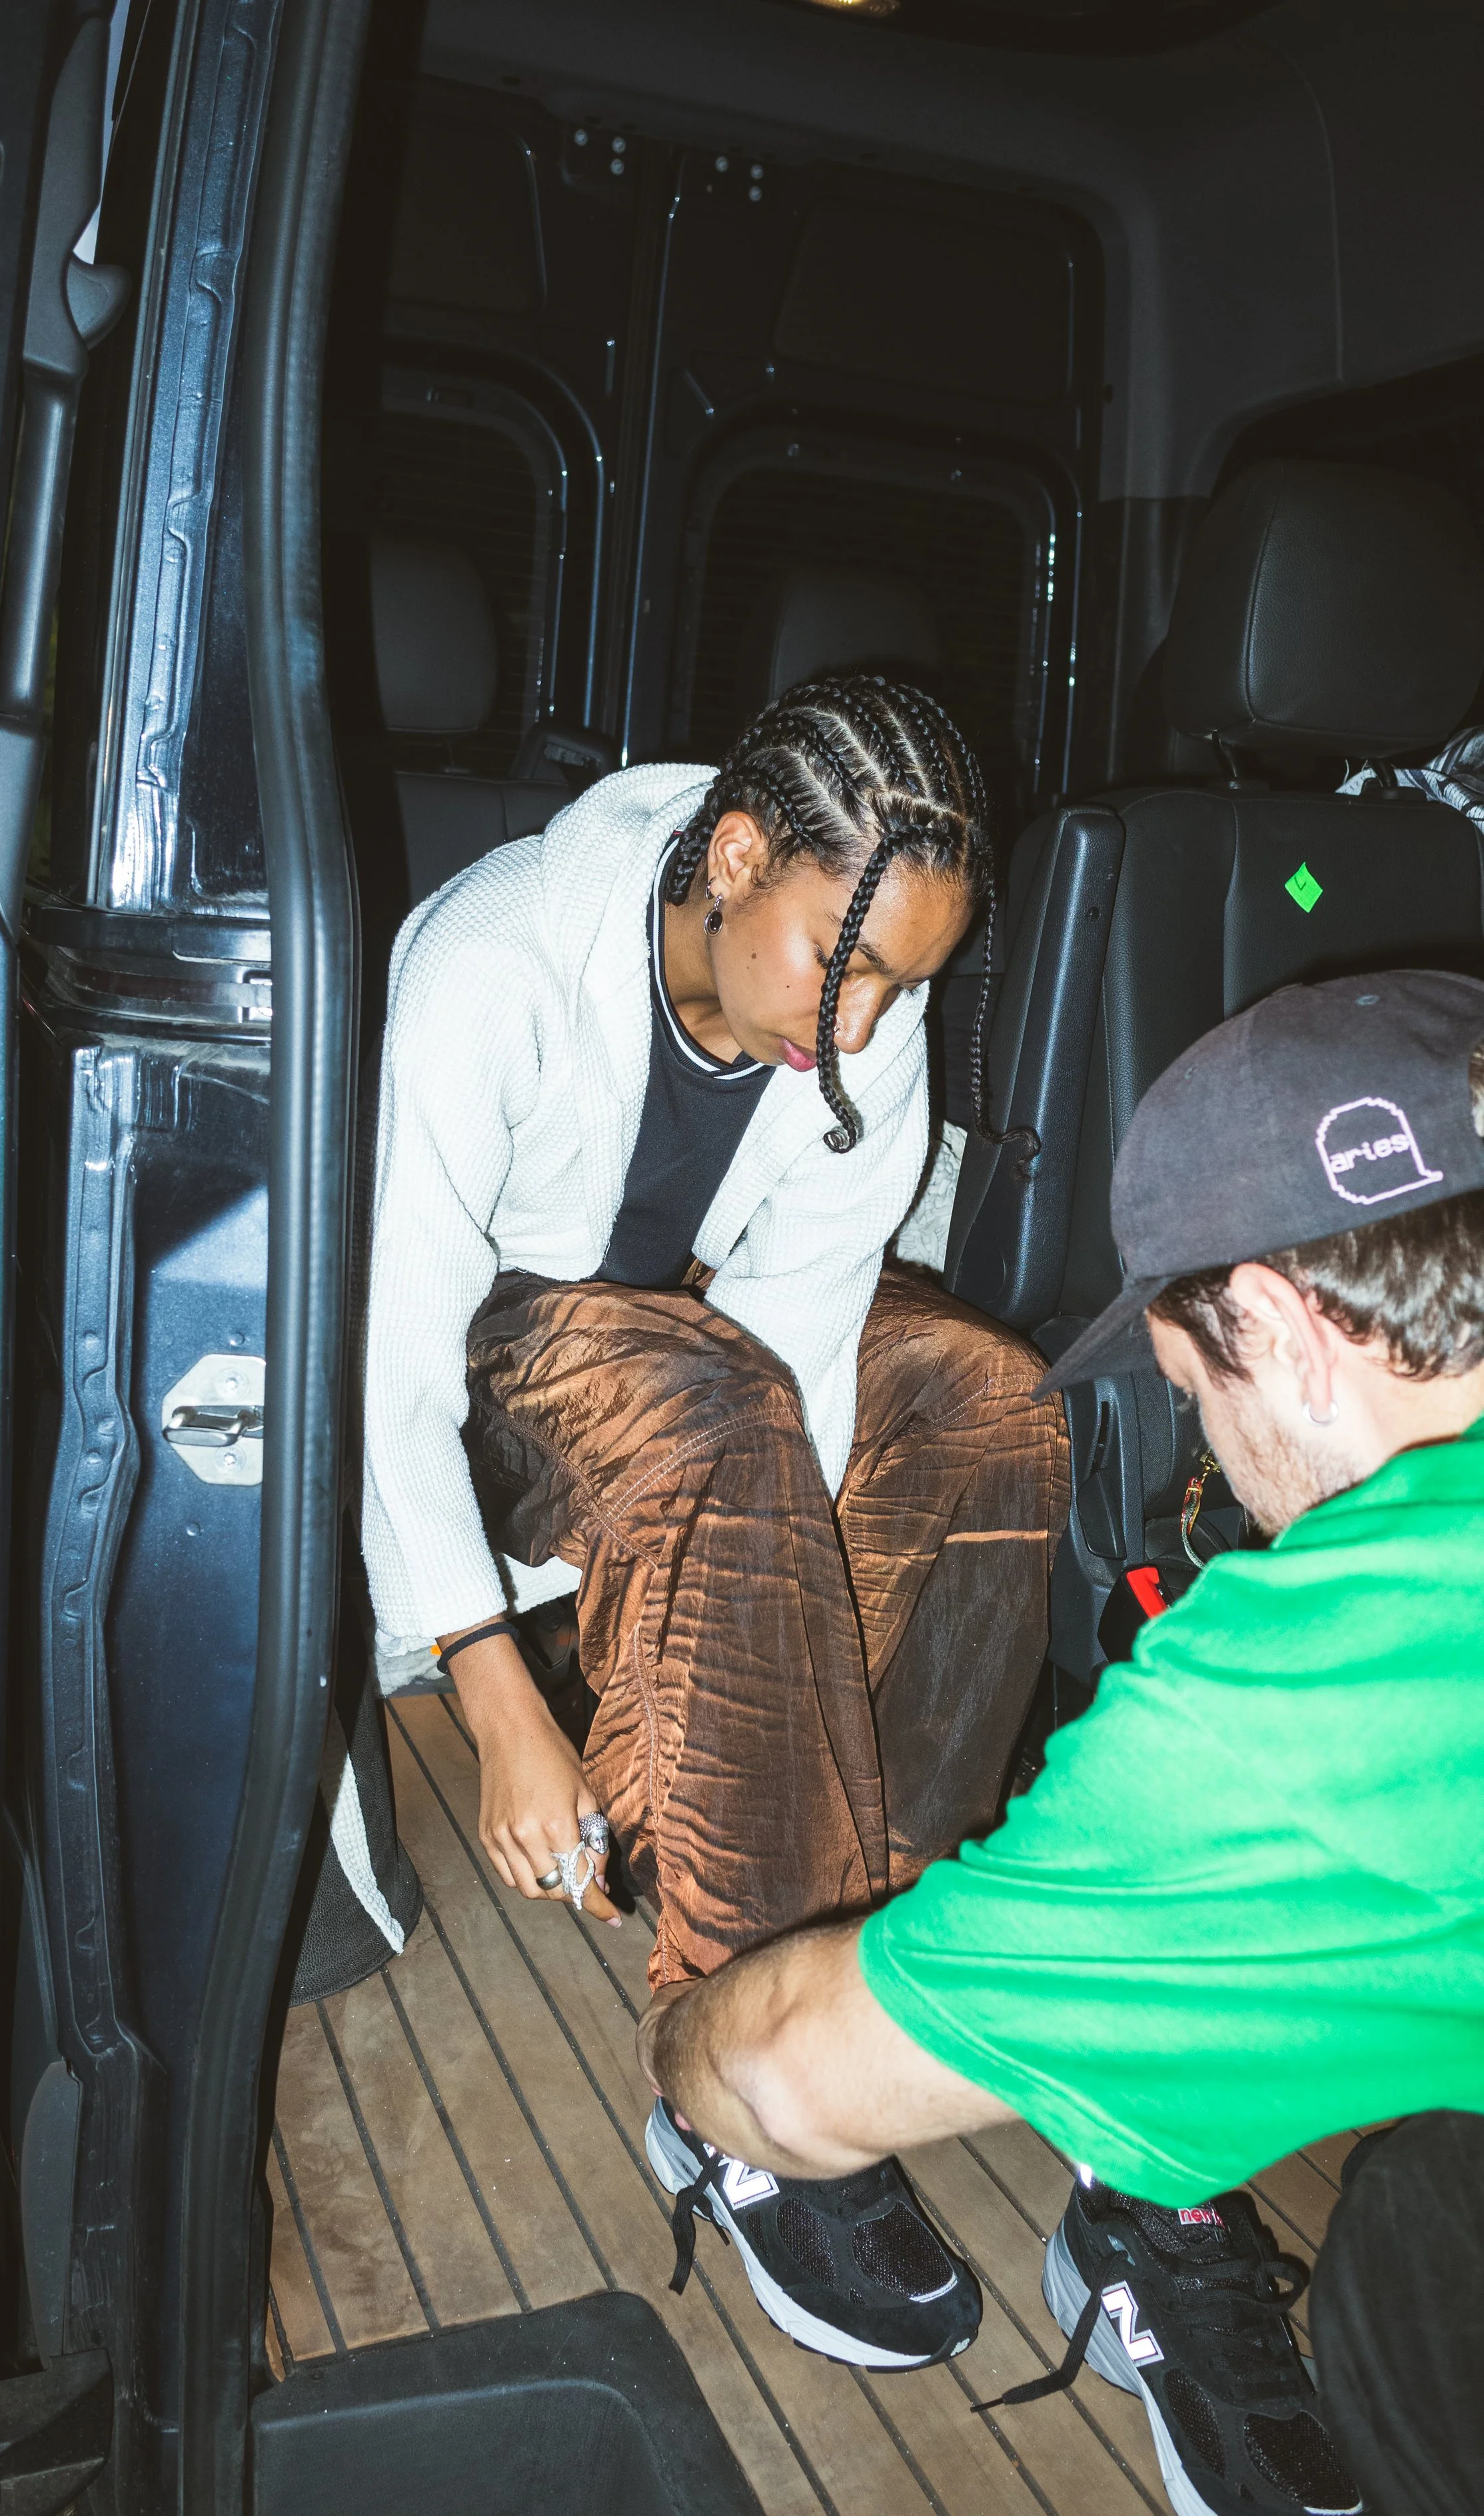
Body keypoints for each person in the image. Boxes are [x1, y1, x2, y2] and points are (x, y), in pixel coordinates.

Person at [636, 968, 1484, 2516]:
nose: (1215, 1469)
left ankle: (1143, 2146)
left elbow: (782, 2080)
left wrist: (684, 2044)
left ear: (1284, 1337)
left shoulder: (1313, 1678)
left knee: (1413, 2271)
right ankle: (1150, 2163)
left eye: (1187, 1394)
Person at [361, 676, 1069, 2364]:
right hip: (492, 1362)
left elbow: (809, 1348)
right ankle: (736, 2072)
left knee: (983, 1400)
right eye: (855, 960)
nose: (873, 1024)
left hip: (704, 1363)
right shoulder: (495, 964)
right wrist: (499, 1697)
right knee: (718, 1405)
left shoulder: (858, 1039)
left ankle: (843, 1969)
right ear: (737, 856)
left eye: (912, 980)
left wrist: (760, 1665)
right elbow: (384, 1362)